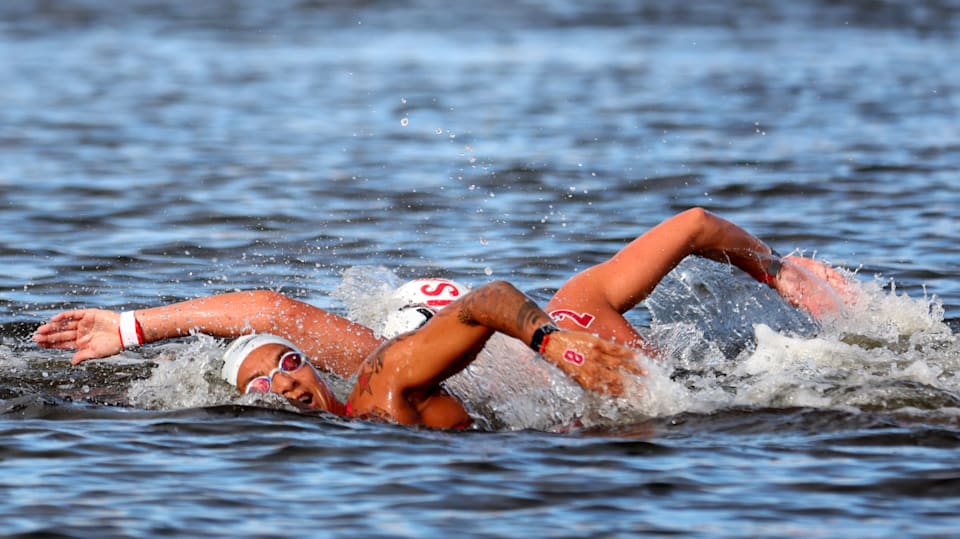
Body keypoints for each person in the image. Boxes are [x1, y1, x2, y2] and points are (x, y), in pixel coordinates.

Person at [33, 207, 854, 390]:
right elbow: (697, 222)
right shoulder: (580, 309)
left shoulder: (383, 371)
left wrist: (133, 326)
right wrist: (773, 268)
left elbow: (272, 311)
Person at [211, 281, 642, 428]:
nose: (284, 382)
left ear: (312, 367)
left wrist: (553, 342)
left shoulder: (380, 383)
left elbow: (488, 298)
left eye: (288, 363)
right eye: (262, 384)